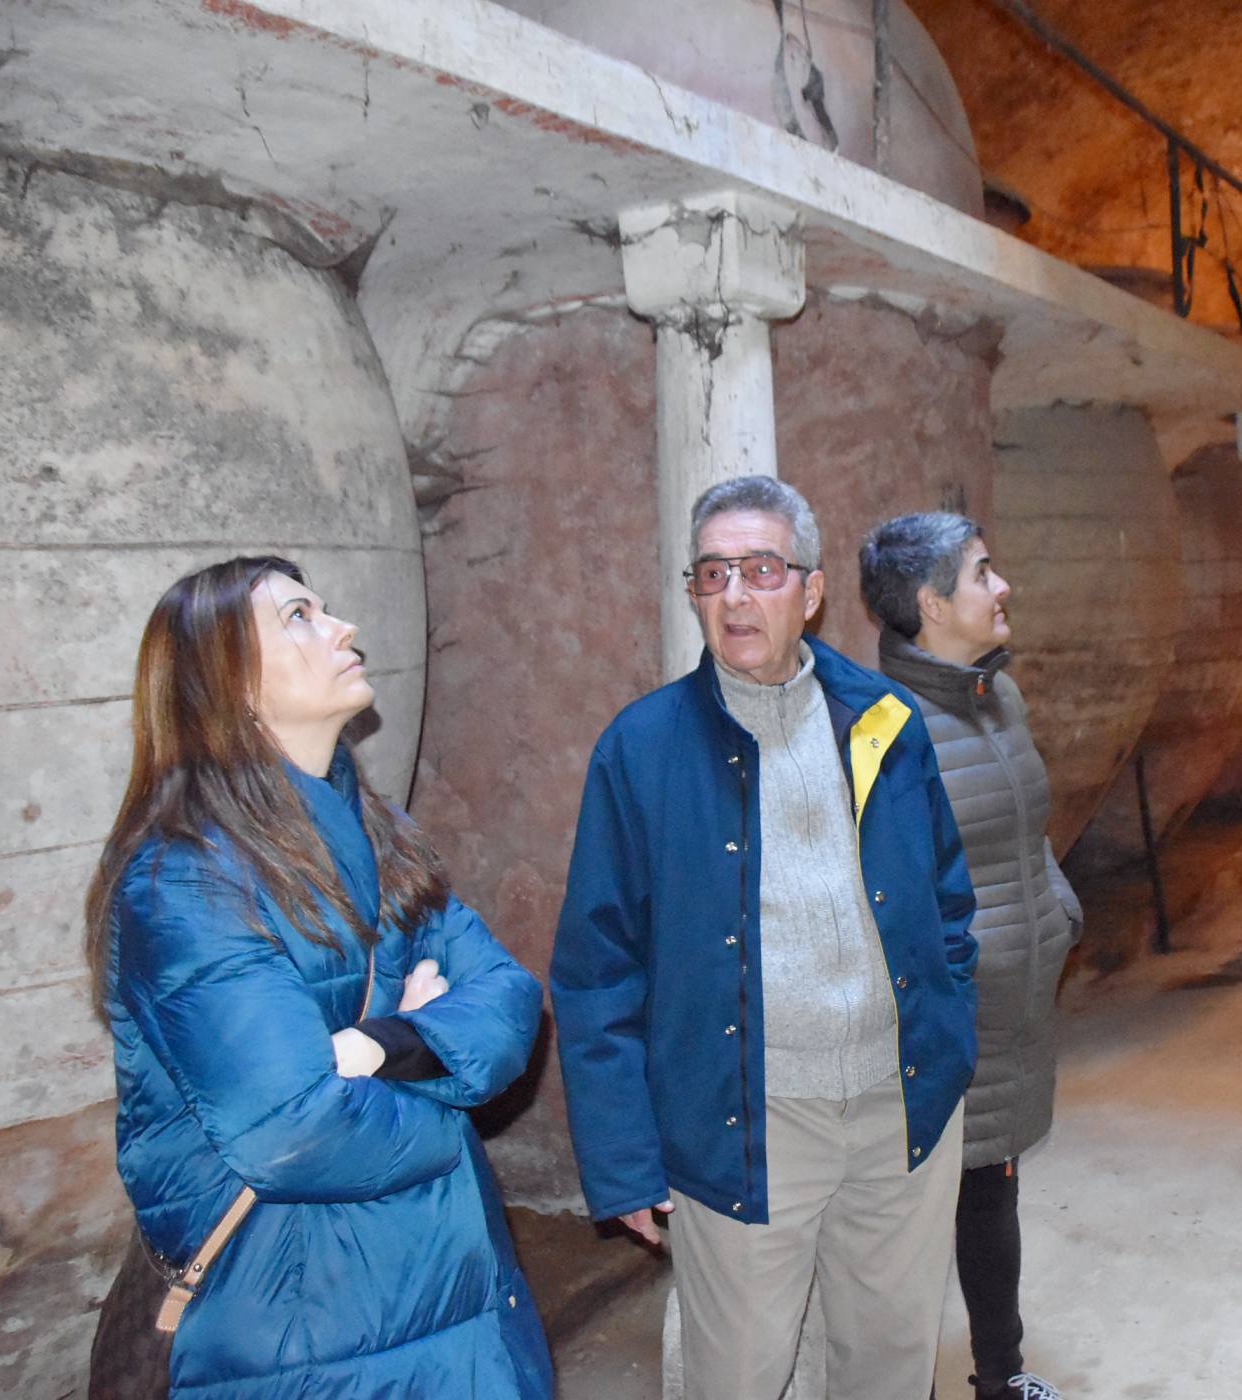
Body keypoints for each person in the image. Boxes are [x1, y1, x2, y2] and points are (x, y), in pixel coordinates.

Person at [552, 476, 978, 1400]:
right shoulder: (642, 749)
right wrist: (623, 1160)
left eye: (761, 570)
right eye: (714, 575)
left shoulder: (884, 722)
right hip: (748, 1119)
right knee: (739, 1375)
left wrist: (948, 1031)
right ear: (693, 595)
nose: (737, 596)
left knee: (891, 1367)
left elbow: (946, 899)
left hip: (897, 1112)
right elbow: (596, 968)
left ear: (811, 591)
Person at [85, 556, 551, 1398]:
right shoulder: (184, 882)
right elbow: (294, 1129)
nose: (342, 629)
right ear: (227, 683)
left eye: (325, 610)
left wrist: (382, 1047)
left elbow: (511, 996)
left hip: (448, 1286)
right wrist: (445, 1088)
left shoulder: (381, 834)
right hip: (298, 1326)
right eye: (299, 616)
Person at [860, 512, 1082, 1400]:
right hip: (948, 1016)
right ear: (930, 605)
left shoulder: (999, 697)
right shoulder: (885, 727)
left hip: (1017, 1003)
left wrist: (1059, 909)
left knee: (993, 1192)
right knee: (911, 1218)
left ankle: (1002, 1377)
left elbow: (1029, 833)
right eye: (983, 574)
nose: (1003, 588)